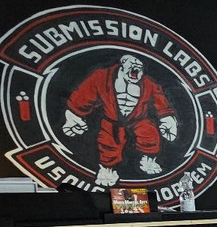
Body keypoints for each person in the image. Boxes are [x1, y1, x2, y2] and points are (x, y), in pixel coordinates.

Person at [62, 54, 179, 187]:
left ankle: (148, 161)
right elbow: (84, 94)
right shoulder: (102, 77)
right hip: (112, 119)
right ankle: (107, 171)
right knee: (108, 142)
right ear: (122, 65)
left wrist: (168, 119)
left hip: (138, 118)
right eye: (132, 64)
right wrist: (73, 116)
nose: (136, 68)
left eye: (139, 66)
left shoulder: (148, 84)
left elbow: (160, 101)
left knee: (150, 134)